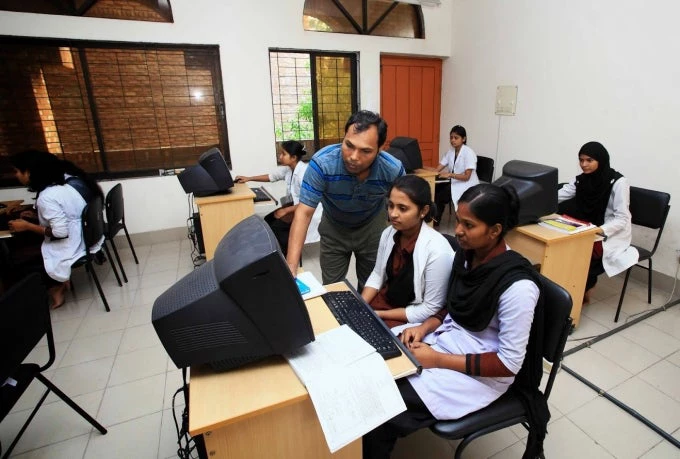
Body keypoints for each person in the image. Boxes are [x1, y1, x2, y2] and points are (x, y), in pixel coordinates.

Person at [363, 183, 548, 459]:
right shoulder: (467, 256)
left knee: (382, 409)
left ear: (495, 230)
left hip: (482, 372)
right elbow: (450, 307)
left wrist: (437, 359)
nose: (458, 230)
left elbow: (508, 365)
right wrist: (423, 327)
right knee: (370, 365)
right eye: (459, 221)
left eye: (468, 225)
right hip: (447, 341)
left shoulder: (518, 288)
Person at [286, 110, 405, 290]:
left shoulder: (392, 169)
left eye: (365, 151)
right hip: (334, 229)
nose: (354, 156)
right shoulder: (322, 164)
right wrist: (291, 266)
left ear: (380, 149)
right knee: (333, 289)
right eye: (349, 145)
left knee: (371, 288)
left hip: (372, 229)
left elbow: (407, 208)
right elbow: (303, 213)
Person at [8, 150, 104, 309]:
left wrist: (27, 226)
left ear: (30, 172)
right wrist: (36, 215)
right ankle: (60, 282)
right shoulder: (65, 188)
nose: (16, 175)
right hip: (85, 239)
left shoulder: (47, 196)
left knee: (15, 257)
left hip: (72, 244)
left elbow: (60, 232)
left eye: (18, 171)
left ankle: (54, 288)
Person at [361, 175, 455, 328]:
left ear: (423, 211)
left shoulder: (437, 251)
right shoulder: (388, 233)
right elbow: (378, 274)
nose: (393, 214)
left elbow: (430, 308)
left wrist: (379, 314)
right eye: (391, 206)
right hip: (385, 301)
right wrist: (361, 304)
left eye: (402, 208)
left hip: (411, 315)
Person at [558, 141, 638, 303]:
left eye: (589, 160)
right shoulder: (581, 180)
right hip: (587, 227)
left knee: (582, 255)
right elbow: (560, 194)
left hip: (609, 232)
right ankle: (567, 288)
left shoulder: (618, 182)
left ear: (600, 160)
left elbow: (622, 218)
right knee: (562, 248)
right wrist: (537, 198)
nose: (584, 165)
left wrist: (599, 230)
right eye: (581, 160)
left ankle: (581, 288)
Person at [234, 140, 321, 255]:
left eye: (283, 154)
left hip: (307, 210)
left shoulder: (304, 173)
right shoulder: (289, 169)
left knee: (277, 227)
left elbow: (309, 203)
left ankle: (285, 256)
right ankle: (274, 252)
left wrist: (285, 210)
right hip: (295, 206)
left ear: (293, 157)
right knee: (268, 220)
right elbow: (271, 177)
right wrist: (249, 178)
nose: (280, 156)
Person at [432, 125, 480, 225]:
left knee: (441, 195)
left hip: (467, 185)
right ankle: (433, 219)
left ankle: (435, 222)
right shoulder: (451, 151)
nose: (453, 140)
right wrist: (433, 174)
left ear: (464, 139)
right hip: (455, 182)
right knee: (434, 189)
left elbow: (467, 177)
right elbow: (440, 166)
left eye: (456, 138)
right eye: (451, 138)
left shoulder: (469, 153)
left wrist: (450, 174)